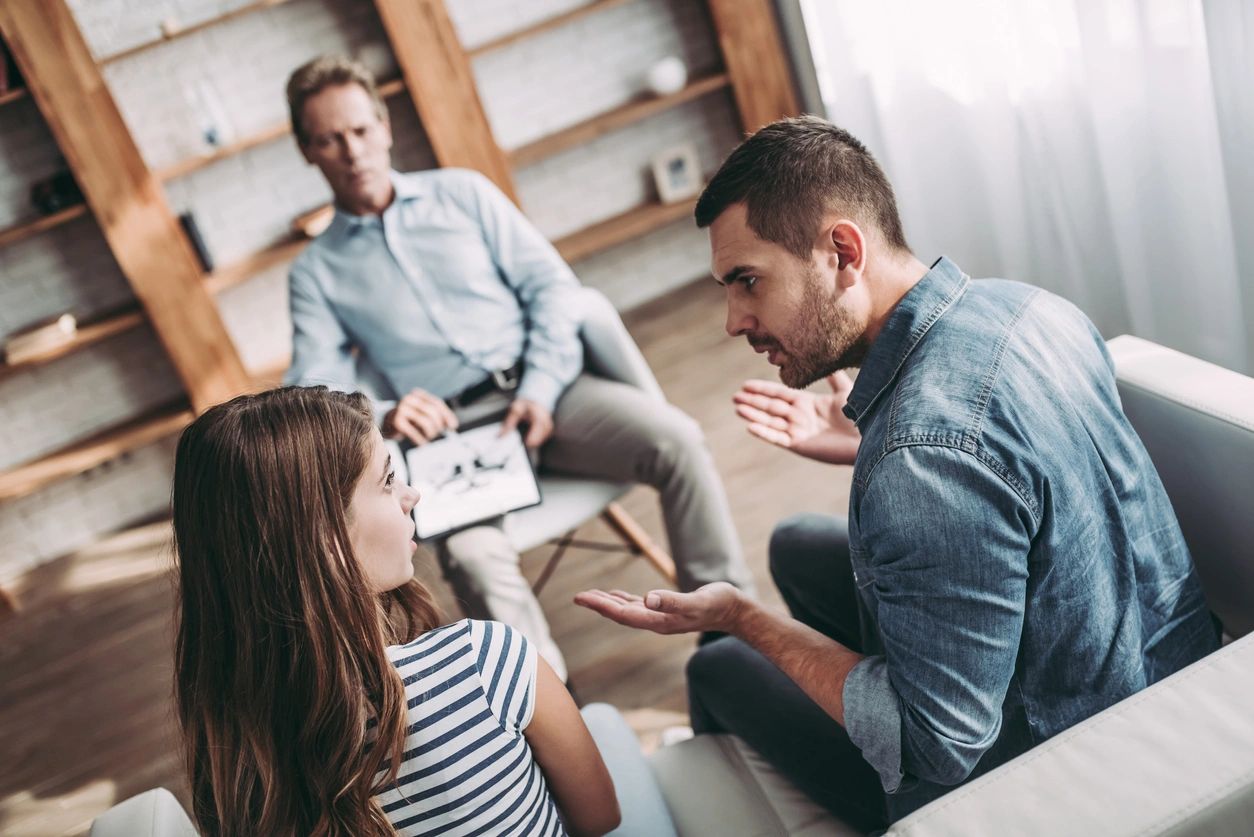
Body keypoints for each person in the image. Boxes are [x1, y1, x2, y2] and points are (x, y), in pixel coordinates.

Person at [576, 115, 1220, 829]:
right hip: (1155, 668)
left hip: (1050, 768)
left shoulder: (923, 460)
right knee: (792, 539)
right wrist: (870, 443)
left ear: (842, 250)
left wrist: (743, 617)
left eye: (748, 282)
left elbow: (937, 743)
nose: (733, 319)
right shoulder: (1027, 306)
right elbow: (1004, 474)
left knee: (717, 664)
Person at [282, 56, 754, 682]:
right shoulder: (316, 272)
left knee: (680, 442)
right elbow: (309, 389)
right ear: (307, 152)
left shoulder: (465, 194)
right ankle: (557, 720)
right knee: (472, 558)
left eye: (361, 130)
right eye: (329, 139)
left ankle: (729, 646)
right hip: (453, 439)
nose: (352, 151)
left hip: (551, 393)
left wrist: (538, 387)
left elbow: (551, 290)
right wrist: (385, 411)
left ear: (385, 125)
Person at [172, 386, 628, 835]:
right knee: (606, 725)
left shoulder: (230, 756)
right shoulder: (484, 661)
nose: (412, 495)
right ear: (326, 539)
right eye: (389, 481)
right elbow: (600, 817)